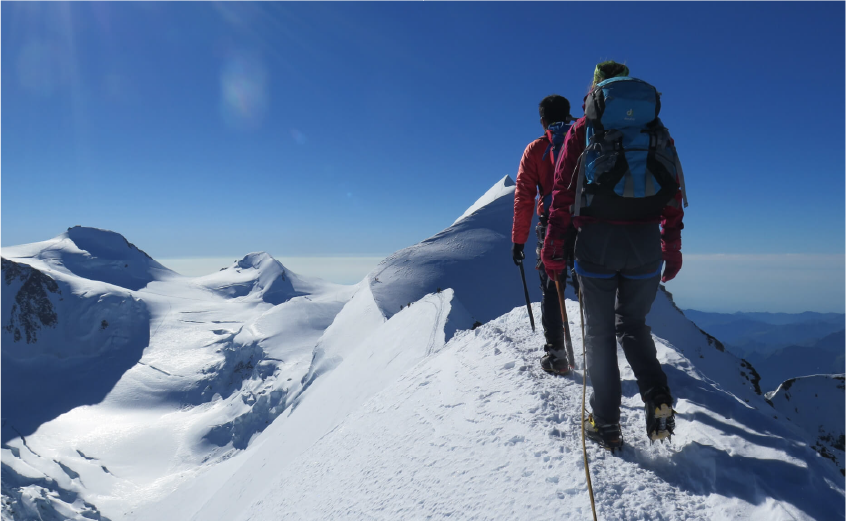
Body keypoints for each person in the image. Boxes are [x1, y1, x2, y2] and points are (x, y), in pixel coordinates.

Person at [541, 61, 684, 450]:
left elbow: (561, 197)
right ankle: (657, 395)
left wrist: (553, 249)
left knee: (601, 335)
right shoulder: (658, 133)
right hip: (645, 246)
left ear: (595, 92)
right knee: (633, 325)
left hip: (596, 245)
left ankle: (605, 424)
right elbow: (674, 195)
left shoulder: (582, 130)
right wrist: (671, 247)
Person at [512, 94, 579, 375]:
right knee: (591, 285)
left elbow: (524, 198)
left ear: (542, 121)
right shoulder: (586, 142)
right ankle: (601, 354)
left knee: (552, 289)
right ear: (570, 114)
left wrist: (518, 241)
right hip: (588, 223)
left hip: (551, 226)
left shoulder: (536, 150)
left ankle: (557, 355)